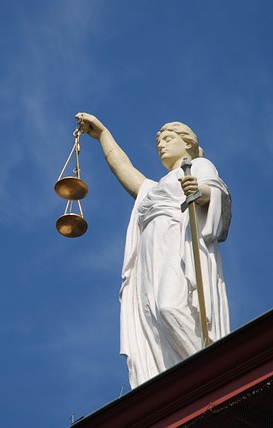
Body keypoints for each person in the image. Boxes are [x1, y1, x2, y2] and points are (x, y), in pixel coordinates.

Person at [76, 113, 232, 388]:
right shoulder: (153, 188)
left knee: (169, 306)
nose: (160, 144)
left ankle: (209, 370)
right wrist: (102, 135)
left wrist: (199, 190)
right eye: (158, 141)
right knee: (152, 319)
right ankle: (173, 380)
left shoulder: (197, 165)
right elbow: (124, 168)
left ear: (188, 143)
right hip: (149, 256)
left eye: (168, 138)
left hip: (177, 242)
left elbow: (216, 191)